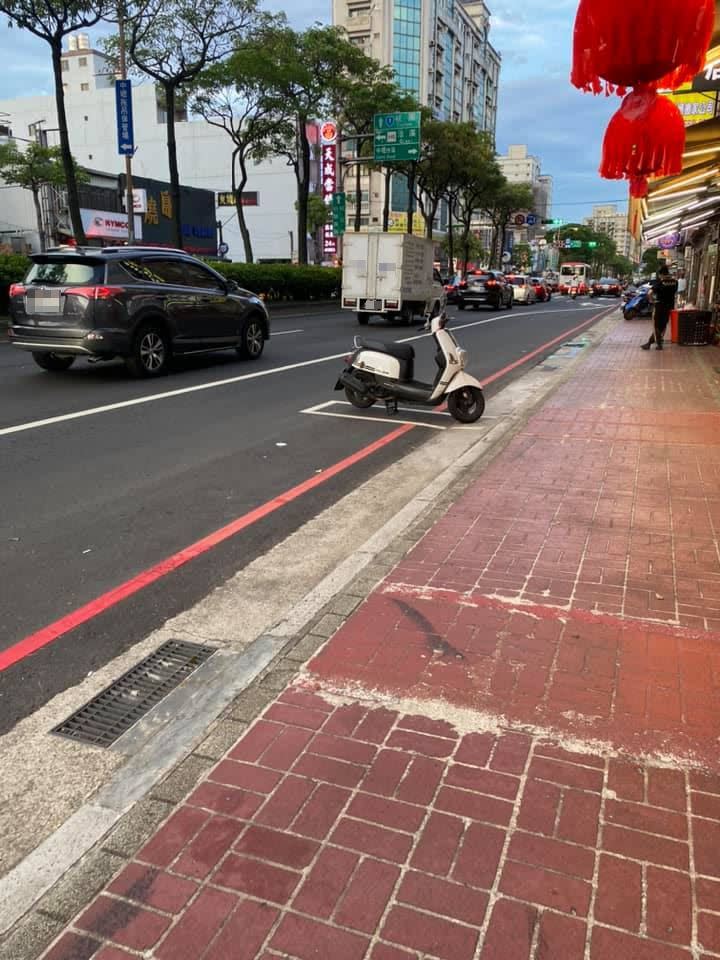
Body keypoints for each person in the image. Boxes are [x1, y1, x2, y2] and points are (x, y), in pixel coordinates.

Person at [641, 265, 678, 350]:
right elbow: (674, 293)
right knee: (663, 325)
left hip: (659, 306)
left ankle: (656, 344)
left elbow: (649, 293)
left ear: (661, 274)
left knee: (656, 326)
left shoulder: (660, 282)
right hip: (669, 306)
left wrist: (651, 301)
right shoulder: (675, 282)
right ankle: (652, 343)